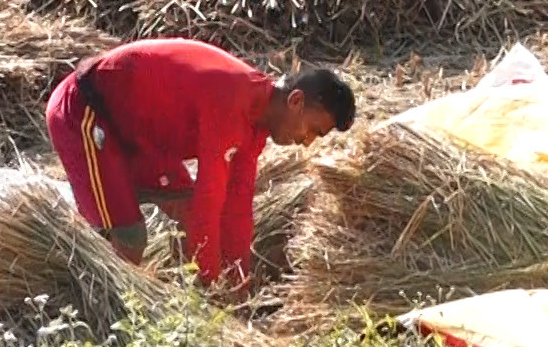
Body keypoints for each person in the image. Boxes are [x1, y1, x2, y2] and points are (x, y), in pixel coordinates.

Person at [45, 38, 355, 291]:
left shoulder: (256, 126)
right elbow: (211, 198)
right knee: (129, 238)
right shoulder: (231, 99)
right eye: (313, 130)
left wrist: (238, 287)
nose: (307, 142)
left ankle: (183, 302)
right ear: (296, 101)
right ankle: (101, 317)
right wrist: (213, 290)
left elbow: (237, 209)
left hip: (141, 137)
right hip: (86, 113)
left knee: (190, 216)